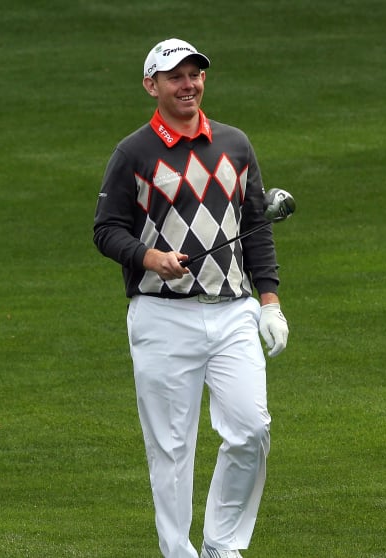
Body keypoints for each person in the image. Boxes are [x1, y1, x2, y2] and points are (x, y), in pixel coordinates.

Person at [93, 39, 290, 558]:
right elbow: (106, 230)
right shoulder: (133, 153)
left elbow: (256, 225)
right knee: (171, 448)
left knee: (251, 430)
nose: (188, 85)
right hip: (162, 316)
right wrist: (148, 257)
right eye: (175, 77)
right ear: (151, 85)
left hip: (233, 312)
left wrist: (269, 302)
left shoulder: (235, 144)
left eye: (195, 75)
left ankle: (221, 544)